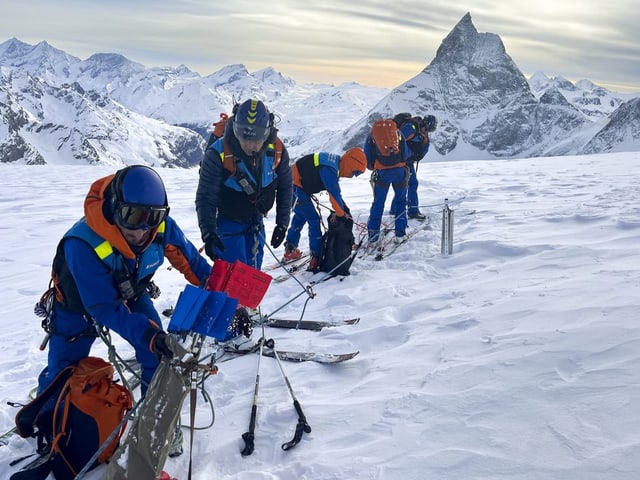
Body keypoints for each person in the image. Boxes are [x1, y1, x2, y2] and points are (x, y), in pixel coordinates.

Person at [37, 166, 212, 403]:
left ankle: (152, 422)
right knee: (63, 373)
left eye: (152, 218)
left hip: (132, 293)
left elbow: (194, 265)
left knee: (156, 355)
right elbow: (105, 308)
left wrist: (226, 297)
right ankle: (47, 423)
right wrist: (149, 334)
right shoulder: (81, 244)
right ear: (115, 207)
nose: (141, 230)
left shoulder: (160, 227)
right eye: (132, 216)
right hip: (75, 309)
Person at [196, 99, 293, 270]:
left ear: (267, 132)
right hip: (228, 223)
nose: (250, 144)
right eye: (244, 136)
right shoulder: (217, 154)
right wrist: (209, 234)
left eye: (257, 138)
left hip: (257, 222)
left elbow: (285, 186)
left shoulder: (277, 151)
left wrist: (282, 223)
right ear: (235, 129)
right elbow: (206, 197)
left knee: (251, 275)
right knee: (231, 277)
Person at [283, 148, 367, 271]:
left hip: (294, 184)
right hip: (293, 187)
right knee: (314, 219)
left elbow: (335, 193)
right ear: (351, 163)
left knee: (301, 216)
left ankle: (290, 249)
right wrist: (342, 214)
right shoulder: (330, 169)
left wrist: (342, 210)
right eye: (356, 172)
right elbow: (334, 194)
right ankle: (316, 257)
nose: (353, 176)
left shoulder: (333, 165)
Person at [364, 119, 412, 244]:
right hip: (400, 172)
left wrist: (374, 166)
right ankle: (400, 234)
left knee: (378, 203)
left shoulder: (371, 137)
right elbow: (406, 154)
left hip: (382, 173)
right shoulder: (398, 133)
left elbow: (367, 158)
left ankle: (373, 236)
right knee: (401, 201)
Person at [397, 114, 437, 220]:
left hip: (405, 161)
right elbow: (399, 141)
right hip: (404, 162)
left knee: (403, 185)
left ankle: (395, 209)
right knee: (412, 184)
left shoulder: (419, 132)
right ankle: (413, 211)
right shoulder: (412, 128)